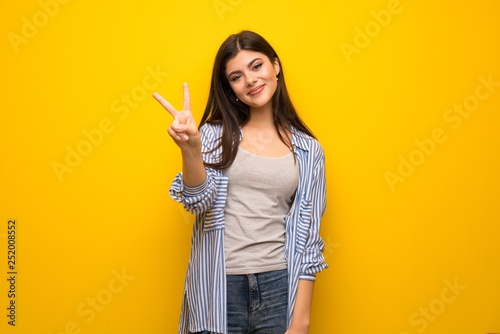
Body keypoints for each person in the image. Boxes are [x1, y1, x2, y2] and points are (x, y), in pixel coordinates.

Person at [153, 30, 327, 334]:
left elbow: (308, 238)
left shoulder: (308, 150)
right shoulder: (212, 135)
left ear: (276, 66)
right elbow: (197, 202)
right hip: (219, 286)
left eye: (256, 66)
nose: (250, 80)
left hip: (279, 286)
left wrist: (301, 321)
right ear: (230, 87)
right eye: (236, 76)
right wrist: (191, 150)